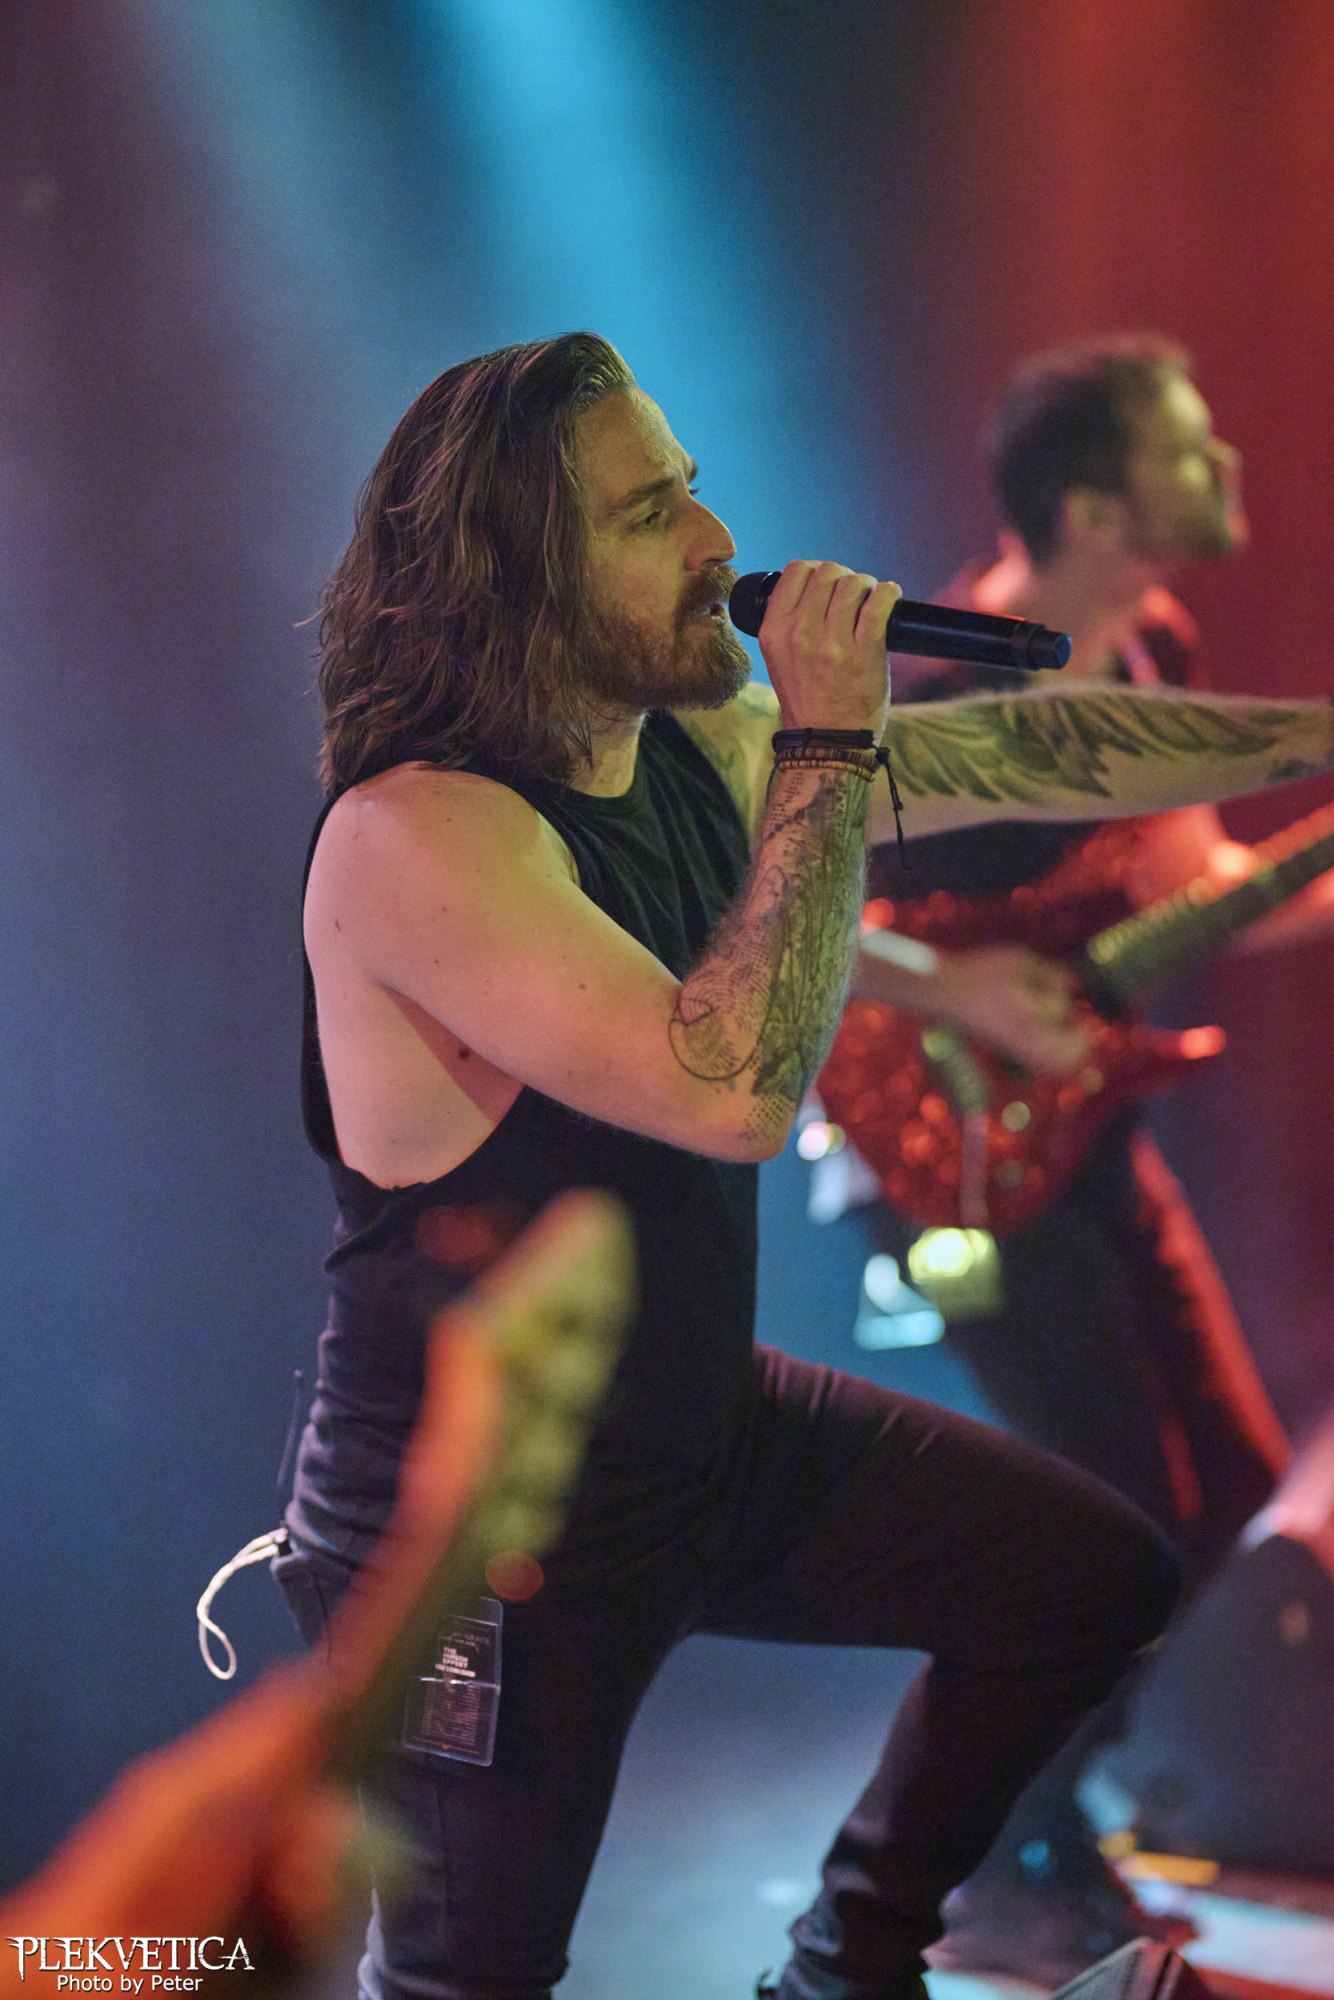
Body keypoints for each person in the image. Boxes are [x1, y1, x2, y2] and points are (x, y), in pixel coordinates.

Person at [277, 330, 1334, 2000]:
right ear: (527, 570)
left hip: (698, 1438)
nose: (717, 542)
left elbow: (1056, 748)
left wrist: (1321, 733)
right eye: (650, 514)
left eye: (693, 488)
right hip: (475, 1525)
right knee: (471, 1981)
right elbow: (733, 1091)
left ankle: (848, 1969)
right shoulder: (418, 835)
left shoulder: (691, 741)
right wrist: (827, 746)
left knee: (1088, 1580)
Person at [815, 334, 1334, 1985]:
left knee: (1228, 1488)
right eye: (1190, 449)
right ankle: (986, 1866)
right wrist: (954, 986)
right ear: (1099, 507)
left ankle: (1038, 1835)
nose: (1228, 467)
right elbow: (778, 907)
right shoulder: (944, 701)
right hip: (947, 1146)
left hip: (1084, 1125)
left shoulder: (1152, 649)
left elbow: (1189, 888)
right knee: (1110, 1525)